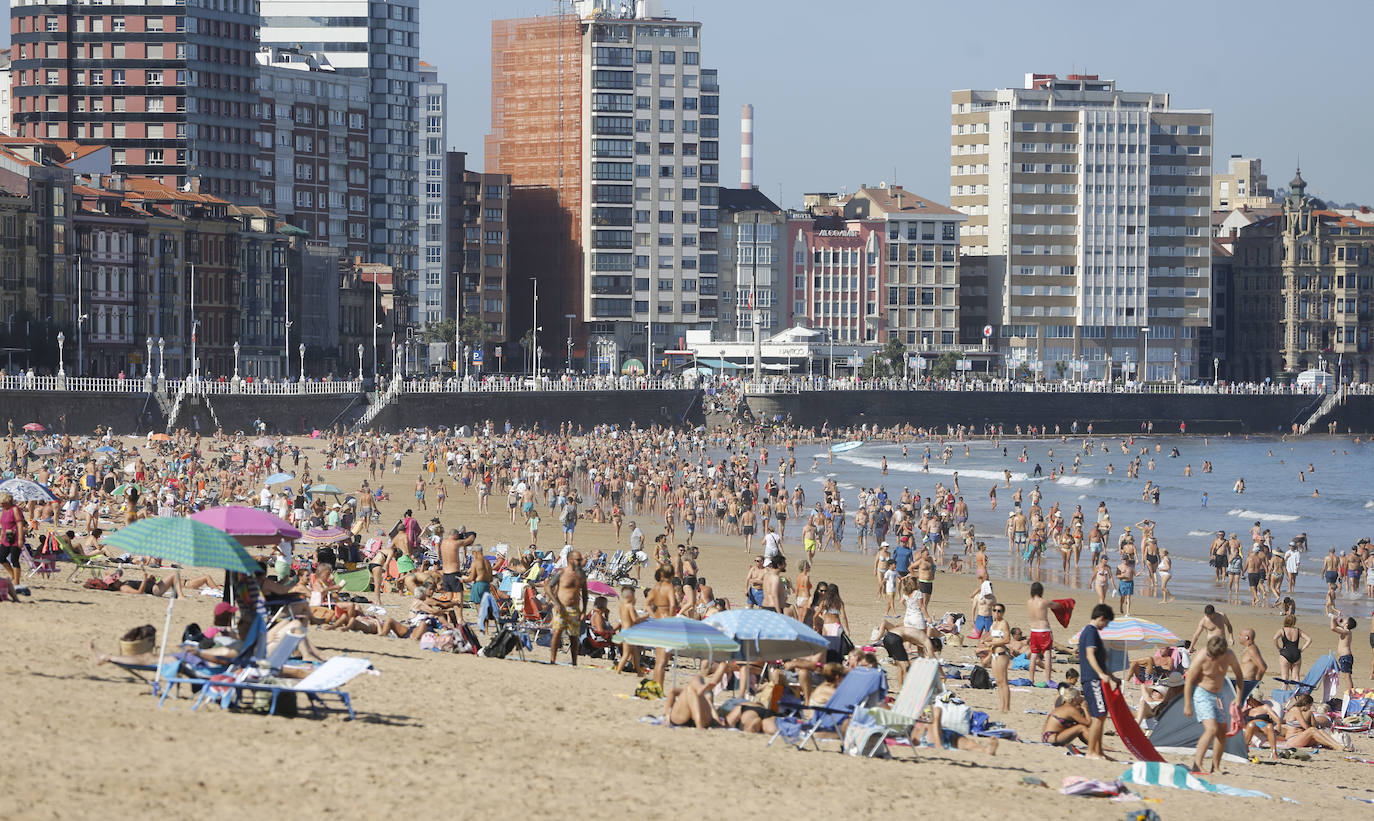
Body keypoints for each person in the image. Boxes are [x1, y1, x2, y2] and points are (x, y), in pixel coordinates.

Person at [1183, 635, 1244, 774]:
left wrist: (1239, 697)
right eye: (1209, 655)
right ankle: (1197, 764)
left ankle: (1215, 767)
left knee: (1222, 732)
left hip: (1218, 695)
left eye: (1214, 656)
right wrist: (1187, 704)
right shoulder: (1201, 656)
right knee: (1211, 729)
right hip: (1202, 693)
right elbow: (1189, 680)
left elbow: (1239, 676)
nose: (1210, 658)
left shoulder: (1229, 655)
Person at [1079, 603, 1119, 760]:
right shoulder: (1091, 632)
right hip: (1092, 679)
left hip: (1095, 678)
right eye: (1106, 622)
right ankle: (1091, 752)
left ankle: (1099, 751)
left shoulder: (1092, 632)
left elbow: (1100, 660)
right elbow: (1090, 655)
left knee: (1101, 715)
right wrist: (1101, 674)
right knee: (1099, 715)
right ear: (1101, 618)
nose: (1106, 626)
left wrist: (1112, 677)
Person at [546, 549, 588, 666]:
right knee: (557, 633)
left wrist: (584, 610)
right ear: (570, 560)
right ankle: (552, 660)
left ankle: (574, 662)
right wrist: (556, 603)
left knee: (573, 637)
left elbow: (585, 593)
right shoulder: (561, 573)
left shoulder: (581, 574)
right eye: (578, 560)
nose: (580, 562)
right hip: (561, 608)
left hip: (574, 609)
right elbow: (548, 587)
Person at [1025, 581, 1066, 686]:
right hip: (1043, 631)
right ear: (1041, 591)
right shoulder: (1043, 602)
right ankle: (1048, 680)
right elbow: (1057, 606)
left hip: (1033, 631)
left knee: (1033, 655)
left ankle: (1031, 679)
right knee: (1047, 654)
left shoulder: (1029, 602)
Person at [613, 586, 645, 675]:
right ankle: (618, 671)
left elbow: (626, 618)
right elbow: (635, 619)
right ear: (630, 596)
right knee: (626, 654)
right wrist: (646, 617)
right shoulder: (630, 606)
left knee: (635, 653)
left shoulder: (622, 605)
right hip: (629, 633)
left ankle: (639, 672)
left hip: (624, 631)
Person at [0, 491, 26, 589]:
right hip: (6, 538)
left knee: (14, 559)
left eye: (2, 503)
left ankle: (16, 582)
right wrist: (1, 538)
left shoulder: (15, 509)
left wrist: (20, 539)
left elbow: (20, 525)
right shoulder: (4, 510)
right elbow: (3, 526)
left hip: (15, 538)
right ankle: (12, 575)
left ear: (7, 502)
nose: (1, 505)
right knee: (1, 557)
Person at [1272, 614, 1310, 681]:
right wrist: (1302, 649)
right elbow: (1309, 639)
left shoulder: (1282, 630)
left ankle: (1285, 688)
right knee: (1296, 677)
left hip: (1285, 653)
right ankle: (1297, 688)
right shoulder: (1298, 630)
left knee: (1285, 677)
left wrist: (1278, 648)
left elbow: (1275, 638)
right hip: (1296, 654)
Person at [1237, 628, 1268, 702]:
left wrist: (1256, 683)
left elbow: (1263, 667)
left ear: (1246, 637)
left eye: (1240, 635)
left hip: (1248, 684)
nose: (1239, 637)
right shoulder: (1249, 648)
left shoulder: (1252, 649)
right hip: (1244, 684)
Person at [1330, 611, 1357, 694]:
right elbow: (1336, 626)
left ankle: (1351, 693)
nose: (1343, 619)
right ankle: (1351, 692)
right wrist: (1336, 619)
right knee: (1346, 676)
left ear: (1347, 625)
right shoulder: (1345, 630)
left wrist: (1332, 619)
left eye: (1345, 620)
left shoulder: (1346, 632)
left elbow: (1333, 628)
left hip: (1346, 657)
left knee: (1347, 676)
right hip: (1344, 657)